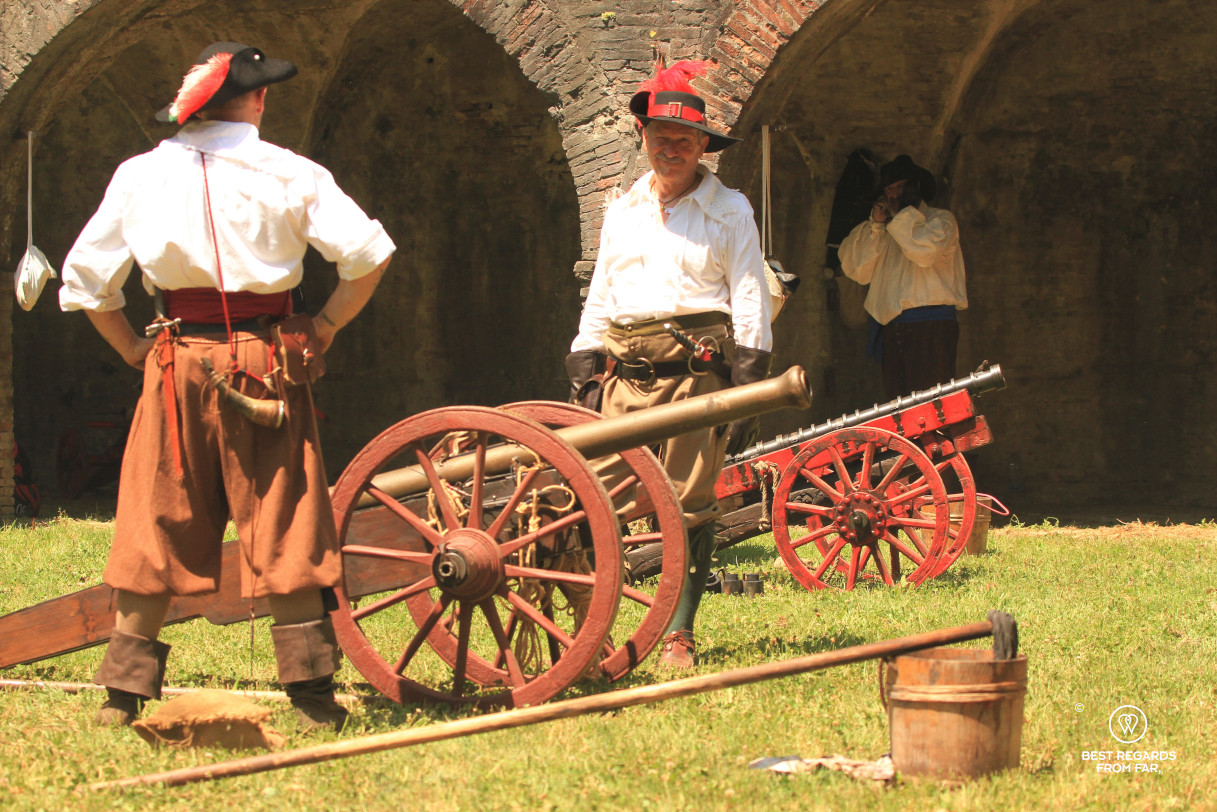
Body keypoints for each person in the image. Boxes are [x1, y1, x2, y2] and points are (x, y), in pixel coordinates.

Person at [58, 42, 395, 730]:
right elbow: (366, 256)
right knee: (287, 514)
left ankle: (121, 700)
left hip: (174, 358)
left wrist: (130, 349)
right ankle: (310, 702)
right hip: (266, 357)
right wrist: (325, 324)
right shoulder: (289, 172)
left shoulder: (138, 174)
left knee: (158, 512)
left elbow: (88, 281)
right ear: (259, 99)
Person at [566, 60, 772, 670]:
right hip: (624, 374)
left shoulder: (728, 210)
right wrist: (583, 357)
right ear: (642, 140)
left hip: (696, 375)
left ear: (703, 145)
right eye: (660, 141)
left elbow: (750, 295)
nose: (671, 151)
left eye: (684, 141)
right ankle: (589, 627)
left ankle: (678, 633)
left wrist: (749, 385)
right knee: (591, 496)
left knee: (689, 503)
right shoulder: (623, 207)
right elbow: (602, 290)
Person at [838, 154, 967, 399]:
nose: (894, 195)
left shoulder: (940, 221)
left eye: (900, 187)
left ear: (915, 187)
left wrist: (901, 217)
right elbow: (858, 271)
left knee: (933, 406)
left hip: (931, 329)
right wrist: (876, 225)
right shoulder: (880, 229)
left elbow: (924, 253)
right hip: (894, 329)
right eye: (889, 189)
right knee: (900, 408)